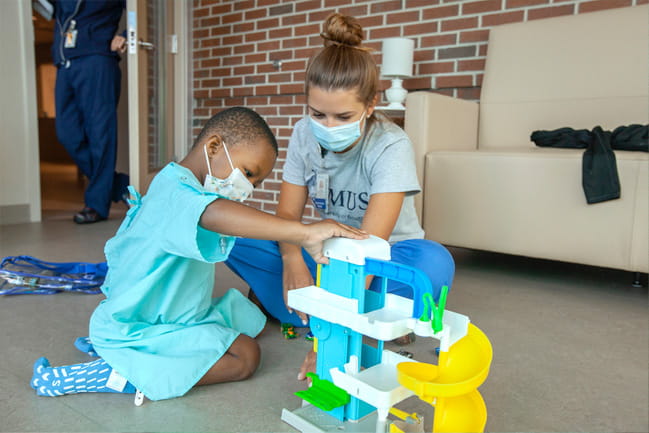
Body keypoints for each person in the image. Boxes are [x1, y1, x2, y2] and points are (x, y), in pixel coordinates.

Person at [30, 107, 367, 401]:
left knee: (247, 319)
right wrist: (304, 232)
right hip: (139, 321)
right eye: (248, 173)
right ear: (214, 146)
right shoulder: (180, 194)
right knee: (246, 357)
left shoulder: (175, 181)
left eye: (257, 183)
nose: (248, 188)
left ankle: (128, 352)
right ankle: (121, 374)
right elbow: (211, 213)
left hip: (163, 311)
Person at [224, 13, 456, 381]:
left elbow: (373, 243)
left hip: (379, 261)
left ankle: (309, 312)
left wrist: (334, 341)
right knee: (228, 229)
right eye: (318, 114)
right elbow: (287, 215)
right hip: (319, 253)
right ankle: (330, 309)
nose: (327, 127)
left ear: (370, 105)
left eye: (343, 116)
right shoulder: (303, 133)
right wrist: (292, 264)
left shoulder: (391, 145)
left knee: (434, 262)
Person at [51, 0, 129, 223]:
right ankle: (119, 186)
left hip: (96, 59)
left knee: (99, 136)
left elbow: (141, 8)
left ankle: (96, 204)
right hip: (65, 63)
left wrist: (126, 33)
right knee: (67, 134)